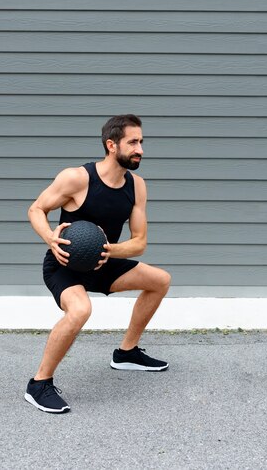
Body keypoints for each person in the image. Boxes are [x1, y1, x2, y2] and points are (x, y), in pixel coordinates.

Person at [24, 114, 171, 413]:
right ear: (111, 144)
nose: (140, 149)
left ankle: (127, 353)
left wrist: (108, 251)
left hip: (104, 261)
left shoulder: (137, 186)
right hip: (64, 265)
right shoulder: (77, 178)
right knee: (80, 310)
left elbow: (139, 242)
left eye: (141, 142)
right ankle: (39, 383)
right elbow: (36, 209)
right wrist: (51, 239)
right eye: (132, 142)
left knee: (160, 281)